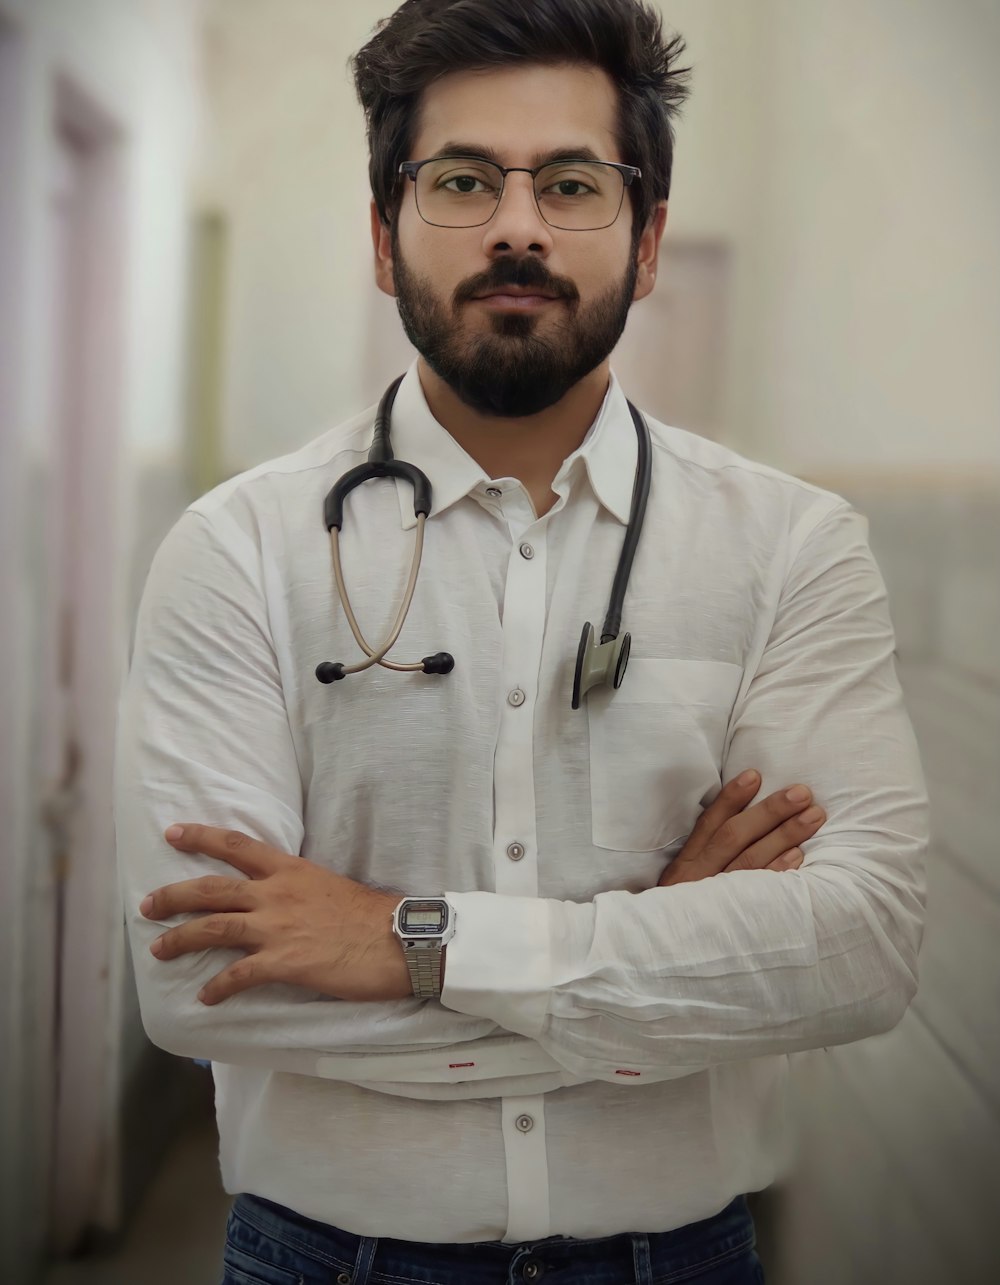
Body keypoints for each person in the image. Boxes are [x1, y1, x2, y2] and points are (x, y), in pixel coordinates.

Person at [114, 2, 929, 1282]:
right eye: (459, 180)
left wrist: (410, 940)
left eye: (570, 182)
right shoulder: (238, 552)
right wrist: (665, 954)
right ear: (385, 239)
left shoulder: (789, 547)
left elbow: (861, 950)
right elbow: (202, 984)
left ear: (646, 241)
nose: (516, 224)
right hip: (327, 1257)